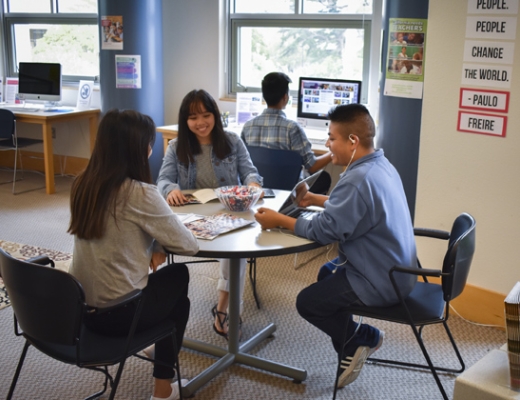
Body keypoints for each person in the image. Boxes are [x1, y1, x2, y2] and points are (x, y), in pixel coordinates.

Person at [254, 104, 417, 389]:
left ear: (352, 141)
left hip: (380, 281)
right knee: (326, 274)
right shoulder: (380, 165)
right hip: (399, 270)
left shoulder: (356, 180)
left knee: (307, 302)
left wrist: (280, 220)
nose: (328, 145)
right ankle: (349, 346)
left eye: (331, 138)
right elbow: (355, 209)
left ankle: (361, 336)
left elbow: (323, 231)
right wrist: (314, 199)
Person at [68, 109, 199, 400]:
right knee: (179, 280)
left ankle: (155, 346)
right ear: (139, 148)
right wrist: (160, 243)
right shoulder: (139, 193)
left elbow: (120, 234)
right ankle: (162, 391)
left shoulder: (82, 184)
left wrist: (154, 244)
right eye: (149, 143)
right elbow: (188, 244)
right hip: (120, 317)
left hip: (80, 312)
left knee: (168, 284)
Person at [157, 89, 263, 339]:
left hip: (229, 213)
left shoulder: (232, 141)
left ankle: (223, 311)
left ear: (215, 115)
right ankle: (227, 311)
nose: (200, 122)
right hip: (193, 217)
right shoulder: (176, 146)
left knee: (235, 254)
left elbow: (250, 172)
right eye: (193, 117)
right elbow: (163, 179)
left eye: (206, 115)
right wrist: (171, 189)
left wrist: (253, 184)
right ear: (185, 120)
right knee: (234, 257)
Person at [241, 72, 333, 195]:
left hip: (258, 189)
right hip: (289, 192)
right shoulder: (293, 128)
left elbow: (242, 163)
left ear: (264, 97)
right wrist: (334, 152)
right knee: (324, 177)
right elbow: (312, 166)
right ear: (285, 97)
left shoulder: (247, 126)